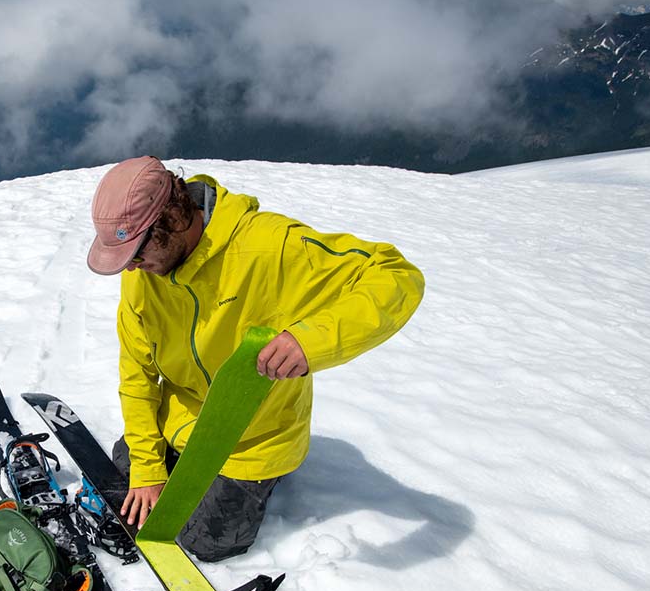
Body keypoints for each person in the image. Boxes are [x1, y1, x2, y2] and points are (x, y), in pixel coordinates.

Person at [86, 156, 425, 562]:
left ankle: (255, 483)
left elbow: (396, 276)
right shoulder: (141, 278)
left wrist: (309, 341)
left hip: (254, 439)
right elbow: (137, 377)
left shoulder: (268, 246)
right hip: (181, 421)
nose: (133, 268)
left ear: (172, 219)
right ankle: (170, 470)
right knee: (128, 472)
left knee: (207, 542)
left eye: (137, 253)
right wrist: (147, 469)